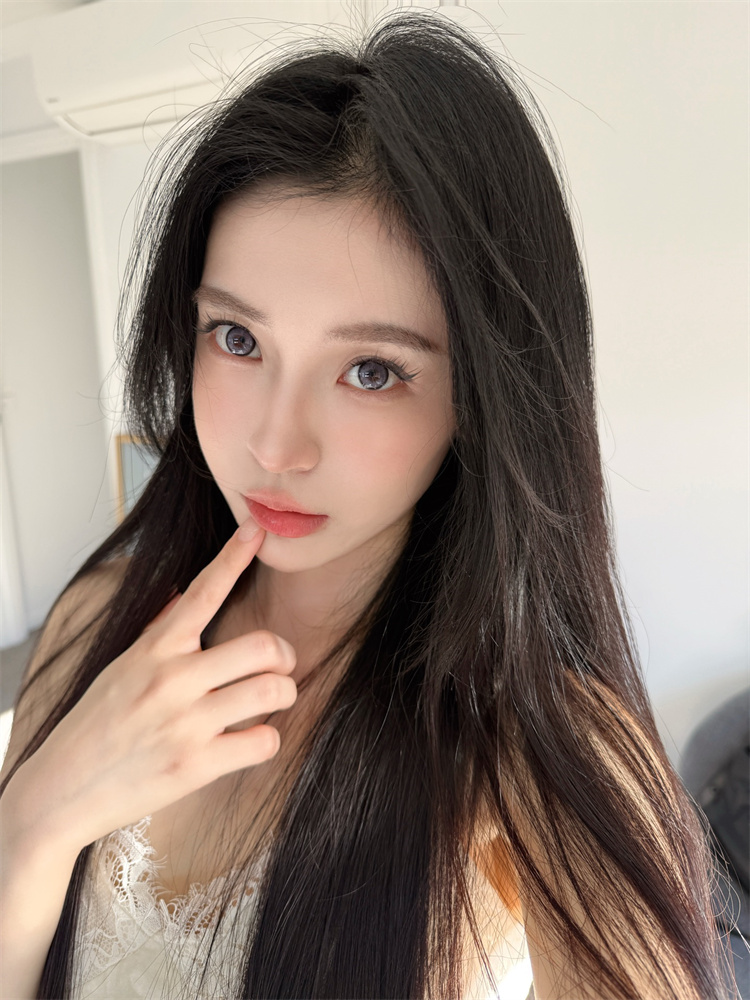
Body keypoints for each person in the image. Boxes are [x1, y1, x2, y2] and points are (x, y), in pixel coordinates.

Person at [0, 11, 741, 1000]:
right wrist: (36, 821)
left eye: (372, 370)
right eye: (237, 338)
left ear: (481, 397)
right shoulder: (97, 624)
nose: (276, 445)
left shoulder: (534, 754)